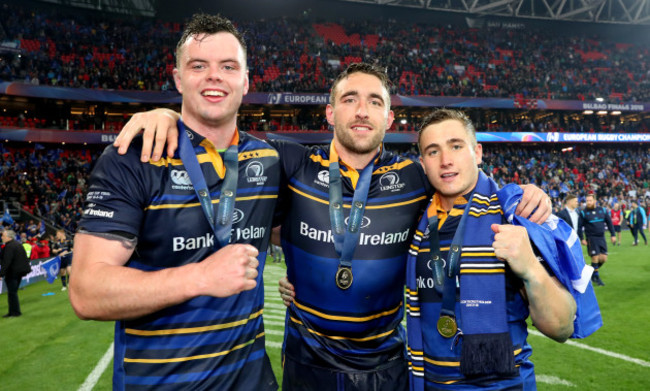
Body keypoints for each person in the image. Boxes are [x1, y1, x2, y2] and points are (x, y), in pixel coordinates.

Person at [115, 63, 553, 391]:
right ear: (329, 112)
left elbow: (470, 179)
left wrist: (527, 193)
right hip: (310, 362)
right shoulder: (290, 163)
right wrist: (169, 117)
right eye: (349, 99)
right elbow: (220, 139)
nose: (362, 111)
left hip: (388, 364)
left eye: (375, 102)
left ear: (389, 119)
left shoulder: (418, 178)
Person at [69, 14, 279, 390]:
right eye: (199, 66)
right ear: (178, 78)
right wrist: (200, 277)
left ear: (245, 82)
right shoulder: (133, 157)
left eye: (228, 66)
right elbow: (86, 291)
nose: (215, 76)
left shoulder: (270, 158)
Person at [406, 108, 596, 389]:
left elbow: (562, 327)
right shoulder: (414, 219)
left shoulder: (514, 216)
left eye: (456, 146)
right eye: (433, 152)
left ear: (478, 152)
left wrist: (531, 268)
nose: (446, 161)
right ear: (423, 164)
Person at [580, 194, 616, 286]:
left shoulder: (602, 210)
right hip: (591, 238)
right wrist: (582, 238)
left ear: (595, 201)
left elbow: (609, 223)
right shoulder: (583, 213)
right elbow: (579, 227)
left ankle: (590, 272)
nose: (588, 202)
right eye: (587, 201)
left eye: (590, 200)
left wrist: (613, 235)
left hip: (601, 237)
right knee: (595, 257)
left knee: (603, 258)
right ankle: (596, 277)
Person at [1, 229, 31, 318]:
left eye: (3, 236)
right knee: (12, 292)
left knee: (12, 293)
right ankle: (12, 312)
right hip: (18, 272)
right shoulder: (17, 244)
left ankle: (15, 312)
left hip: (13, 273)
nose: (2, 237)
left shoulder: (9, 246)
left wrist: (1, 273)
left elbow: (7, 261)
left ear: (9, 237)